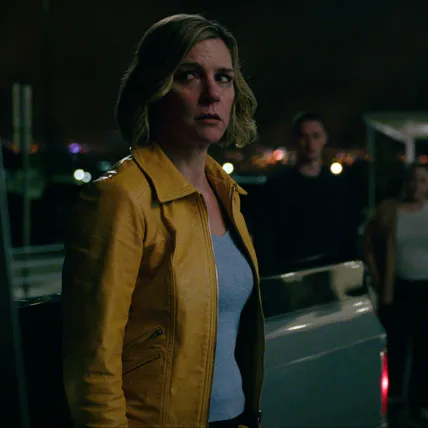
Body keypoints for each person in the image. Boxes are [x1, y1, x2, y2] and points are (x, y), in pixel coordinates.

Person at [62, 14, 264, 428]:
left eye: (223, 78)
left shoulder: (226, 193)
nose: (211, 93)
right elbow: (93, 364)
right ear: (154, 88)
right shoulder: (120, 198)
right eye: (188, 75)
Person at [254, 111, 360, 275]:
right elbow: (266, 237)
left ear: (325, 138)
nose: (310, 143)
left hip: (331, 270)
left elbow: (348, 232)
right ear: (296, 140)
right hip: (292, 272)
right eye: (304, 137)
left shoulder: (339, 185)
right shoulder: (277, 186)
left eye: (316, 136)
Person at [364, 163, 428, 423]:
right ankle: (394, 400)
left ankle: (420, 401)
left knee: (425, 349)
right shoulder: (389, 210)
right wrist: (377, 276)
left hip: (426, 289)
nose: (417, 186)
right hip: (398, 288)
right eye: (413, 180)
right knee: (396, 347)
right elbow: (367, 242)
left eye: (422, 180)